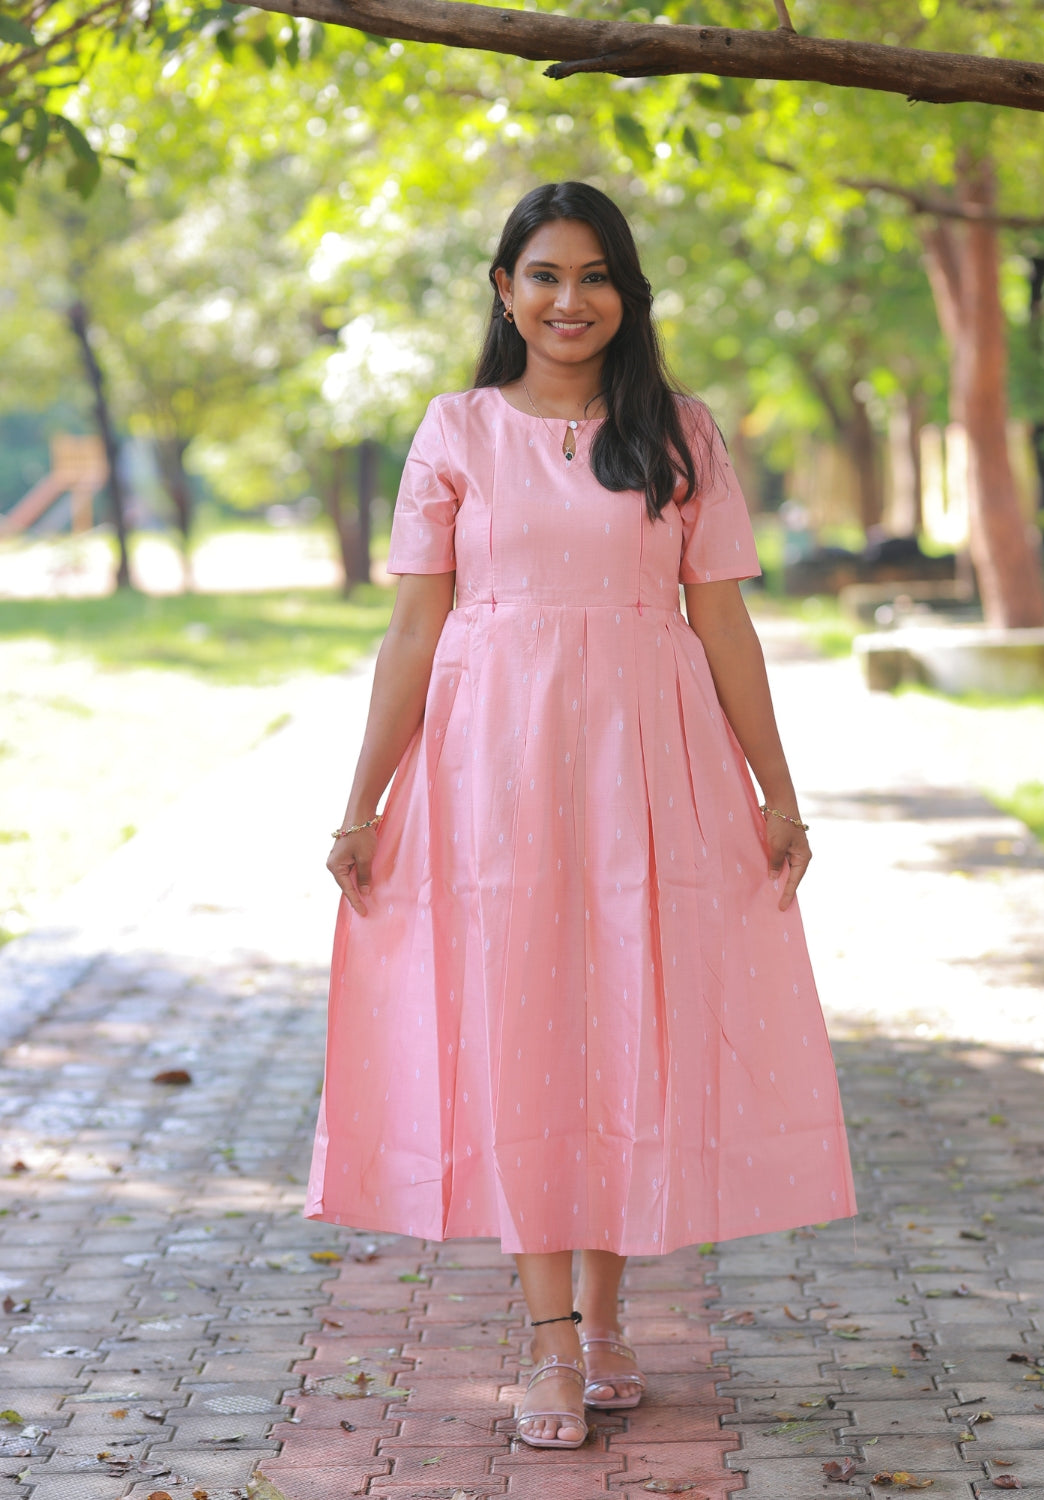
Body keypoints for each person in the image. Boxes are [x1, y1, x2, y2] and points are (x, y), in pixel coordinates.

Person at [306, 181, 855, 1450]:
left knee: (627, 1016)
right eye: (544, 274)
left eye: (596, 274)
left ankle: (607, 1324)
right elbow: (411, 629)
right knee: (522, 1022)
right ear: (505, 290)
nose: (570, 298)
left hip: (648, 764)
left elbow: (722, 619)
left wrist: (778, 788)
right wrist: (363, 801)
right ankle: (550, 1341)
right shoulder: (455, 430)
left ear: (628, 294)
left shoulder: (680, 433)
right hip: (491, 769)